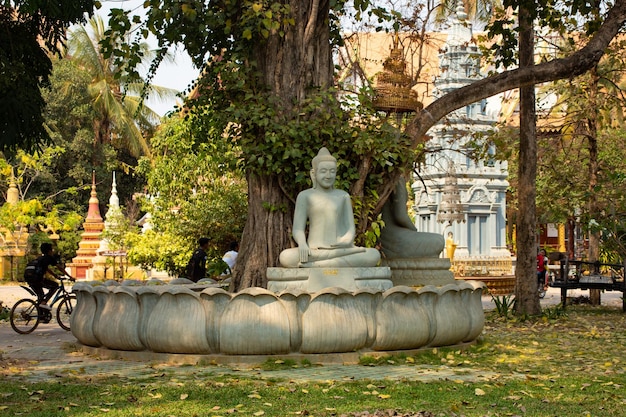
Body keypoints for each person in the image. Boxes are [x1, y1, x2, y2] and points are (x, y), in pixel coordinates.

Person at [279, 147, 380, 268]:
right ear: (313, 173)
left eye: (332, 171)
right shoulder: (305, 196)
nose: (328, 175)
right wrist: (302, 244)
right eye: (323, 171)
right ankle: (328, 264)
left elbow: (350, 229)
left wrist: (345, 241)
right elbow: (298, 229)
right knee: (285, 257)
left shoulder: (343, 196)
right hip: (314, 250)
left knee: (373, 254)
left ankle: (316, 266)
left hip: (341, 250)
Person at [24, 242, 62, 309]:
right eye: (52, 250)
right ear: (49, 251)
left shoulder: (40, 258)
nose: (53, 251)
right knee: (55, 286)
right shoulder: (49, 258)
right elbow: (60, 268)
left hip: (28, 278)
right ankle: (43, 303)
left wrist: (55, 275)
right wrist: (70, 276)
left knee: (40, 295)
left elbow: (46, 269)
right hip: (37, 279)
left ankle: (41, 315)